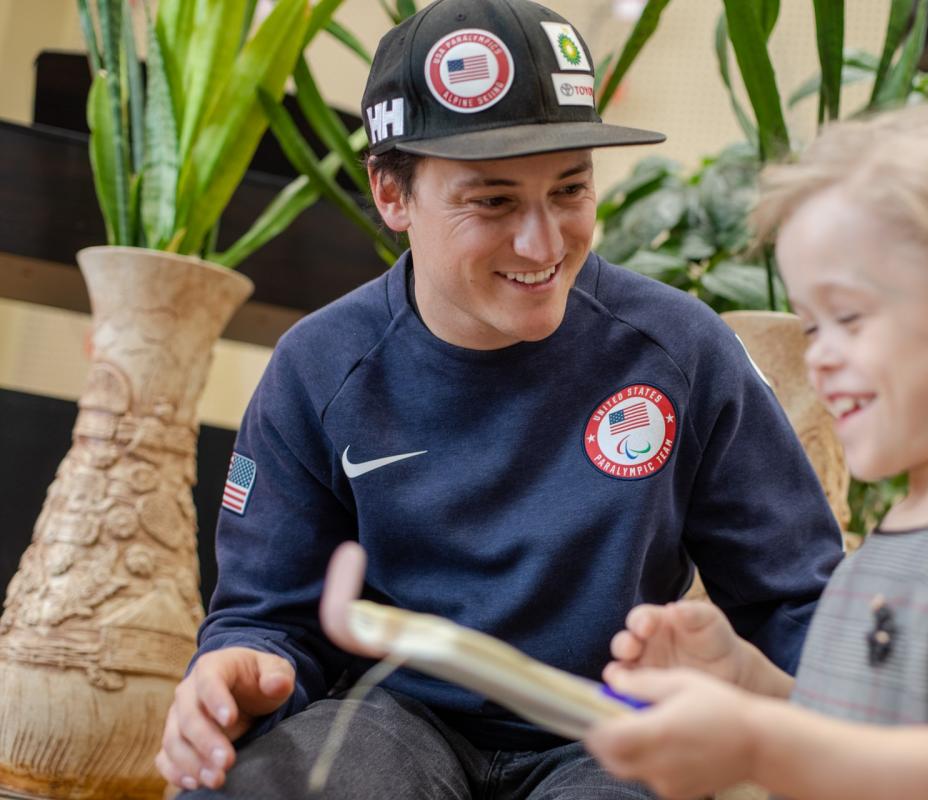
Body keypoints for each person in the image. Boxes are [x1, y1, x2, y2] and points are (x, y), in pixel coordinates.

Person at [154, 0, 844, 796]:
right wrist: (240, 667)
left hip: (603, 730)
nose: (543, 244)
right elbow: (267, 618)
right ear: (391, 193)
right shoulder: (320, 366)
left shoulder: (681, 351)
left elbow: (799, 599)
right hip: (393, 722)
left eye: (571, 190)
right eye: (493, 201)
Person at [584, 104, 928, 800]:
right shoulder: (898, 544)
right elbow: (869, 743)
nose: (821, 361)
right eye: (812, 328)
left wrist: (757, 740)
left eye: (852, 319)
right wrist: (750, 686)